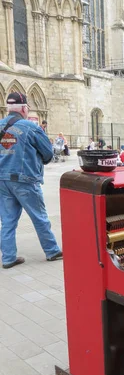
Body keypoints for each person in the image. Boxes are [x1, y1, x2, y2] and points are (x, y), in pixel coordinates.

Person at [0, 92, 62, 268]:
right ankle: (51, 250)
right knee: (39, 216)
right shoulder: (31, 127)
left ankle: (8, 258)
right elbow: (48, 153)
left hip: (2, 180)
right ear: (24, 108)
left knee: (7, 220)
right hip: (24, 179)